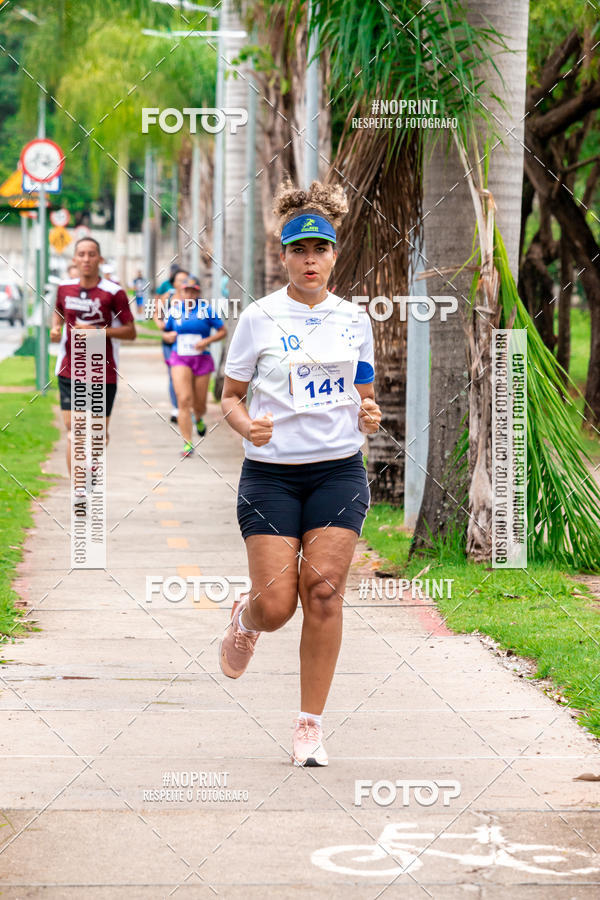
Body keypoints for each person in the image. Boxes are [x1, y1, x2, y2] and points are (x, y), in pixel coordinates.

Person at [220, 180, 382, 767]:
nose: (309, 260)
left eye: (320, 249)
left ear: (335, 254)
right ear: (283, 256)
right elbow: (230, 396)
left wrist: (369, 413)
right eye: (298, 250)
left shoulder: (353, 319)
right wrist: (246, 427)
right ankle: (246, 617)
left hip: (338, 471)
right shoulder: (259, 318)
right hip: (271, 477)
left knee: (323, 593)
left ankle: (309, 726)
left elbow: (363, 396)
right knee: (278, 607)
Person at [49, 237, 137, 476]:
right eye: (81, 254)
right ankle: (79, 491)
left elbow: (131, 332)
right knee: (74, 432)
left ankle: (93, 463)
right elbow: (58, 310)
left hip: (102, 372)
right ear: (74, 259)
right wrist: (56, 328)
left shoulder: (114, 292)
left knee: (97, 434)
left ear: (99, 259)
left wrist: (97, 332)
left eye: (91, 254)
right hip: (70, 368)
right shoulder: (65, 288)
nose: (86, 259)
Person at [162, 276, 227, 457]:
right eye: (186, 291)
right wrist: (168, 337)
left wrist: (207, 340)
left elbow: (223, 331)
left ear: (197, 293)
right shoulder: (174, 310)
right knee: (184, 400)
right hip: (180, 358)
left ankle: (198, 418)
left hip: (201, 359)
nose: (189, 294)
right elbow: (166, 333)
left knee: (199, 404)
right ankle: (187, 443)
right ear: (181, 293)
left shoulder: (206, 310)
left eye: (193, 291)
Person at [153, 268, 188, 424]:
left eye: (186, 280)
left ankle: (188, 406)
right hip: (170, 341)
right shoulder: (169, 296)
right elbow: (156, 313)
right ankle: (176, 408)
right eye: (180, 280)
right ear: (174, 283)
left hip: (189, 342)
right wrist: (162, 327)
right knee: (173, 373)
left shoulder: (194, 297)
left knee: (189, 375)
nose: (183, 283)